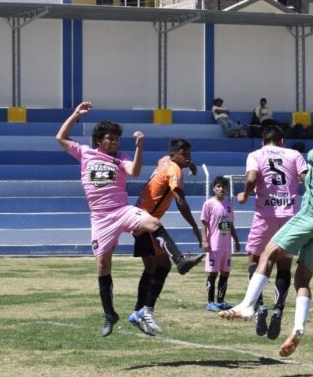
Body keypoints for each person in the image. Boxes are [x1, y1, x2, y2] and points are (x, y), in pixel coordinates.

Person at [219, 108, 313, 358]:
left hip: (308, 216)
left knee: (267, 254)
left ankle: (248, 305)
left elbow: (312, 156)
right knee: (302, 280)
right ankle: (299, 327)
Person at [55, 102, 200, 337]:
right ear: (99, 140)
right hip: (100, 219)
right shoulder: (84, 152)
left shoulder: (120, 158)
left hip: (121, 210)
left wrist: (139, 147)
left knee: (153, 223)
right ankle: (109, 314)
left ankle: (180, 261)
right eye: (110, 139)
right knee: (103, 266)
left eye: (117, 139)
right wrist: (76, 114)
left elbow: (134, 171)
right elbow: (60, 137)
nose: (114, 142)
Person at [236, 125, 308, 340]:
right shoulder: (294, 154)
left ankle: (258, 306)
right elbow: (307, 179)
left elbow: (250, 179)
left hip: (264, 215)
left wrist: (245, 195)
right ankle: (278, 308)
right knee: (284, 265)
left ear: (263, 141)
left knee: (255, 260)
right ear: (282, 141)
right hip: (290, 217)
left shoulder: (256, 155)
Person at [128, 139, 205, 336]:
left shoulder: (164, 160)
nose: (188, 157)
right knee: (163, 266)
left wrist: (190, 163)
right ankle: (147, 311)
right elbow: (180, 200)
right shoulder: (174, 170)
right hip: (146, 221)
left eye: (190, 154)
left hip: (137, 216)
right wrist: (194, 226)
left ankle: (138, 312)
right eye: (185, 154)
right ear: (175, 154)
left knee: (152, 268)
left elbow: (168, 163)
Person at [202, 176, 240, 312]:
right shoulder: (209, 204)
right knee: (213, 274)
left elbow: (230, 224)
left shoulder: (229, 205)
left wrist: (235, 239)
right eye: (218, 186)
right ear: (214, 188)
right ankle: (210, 302)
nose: (221, 189)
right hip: (214, 245)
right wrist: (204, 240)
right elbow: (204, 224)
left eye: (223, 186)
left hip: (226, 246)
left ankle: (220, 301)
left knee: (225, 273)